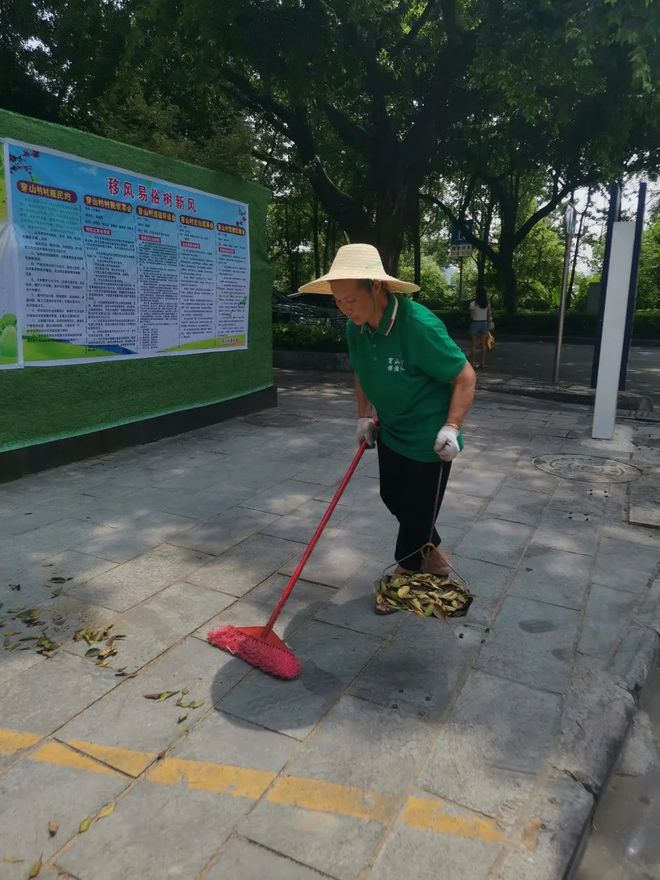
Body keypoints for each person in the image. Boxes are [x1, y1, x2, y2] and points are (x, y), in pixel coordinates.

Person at [299, 244, 476, 614]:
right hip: (392, 428)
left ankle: (405, 576)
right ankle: (435, 557)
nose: (345, 309)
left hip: (430, 438)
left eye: (350, 299)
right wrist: (363, 416)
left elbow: (464, 376)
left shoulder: (418, 326)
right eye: (338, 301)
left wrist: (452, 426)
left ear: (376, 288)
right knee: (393, 497)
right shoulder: (356, 328)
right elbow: (363, 372)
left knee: (416, 512)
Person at [469, 284, 494, 368]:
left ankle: (473, 362)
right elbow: (488, 316)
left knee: (474, 345)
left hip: (475, 323)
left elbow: (472, 317)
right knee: (483, 344)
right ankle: (482, 362)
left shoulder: (473, 304)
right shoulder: (487, 304)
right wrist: (489, 324)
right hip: (484, 324)